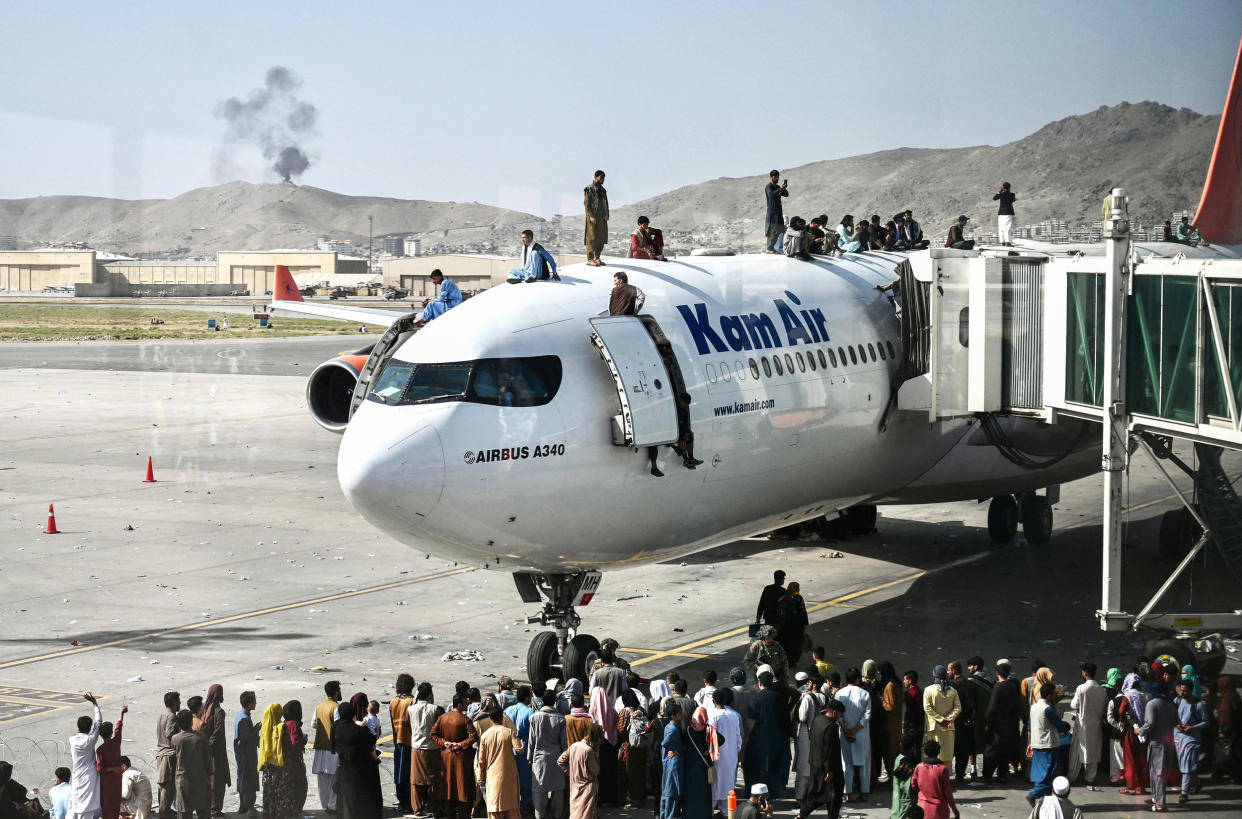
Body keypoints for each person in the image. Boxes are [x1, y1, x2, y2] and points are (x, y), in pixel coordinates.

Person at [334, 694, 383, 819]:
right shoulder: (358, 728)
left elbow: (333, 745)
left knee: (346, 795)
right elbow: (370, 740)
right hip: (359, 766)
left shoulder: (336, 726)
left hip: (344, 766)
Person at [432, 694, 479, 819]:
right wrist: (460, 744)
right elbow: (474, 737)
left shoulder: (442, 718)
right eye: (465, 702)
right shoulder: (465, 719)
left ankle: (450, 814)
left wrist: (444, 742)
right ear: (459, 704)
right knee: (463, 788)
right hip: (461, 758)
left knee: (448, 789)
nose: (467, 704)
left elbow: (433, 734)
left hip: (446, 756)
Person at [475, 705, 522, 819]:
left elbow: (481, 760)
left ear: (490, 718)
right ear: (502, 718)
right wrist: (521, 743)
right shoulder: (509, 732)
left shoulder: (485, 736)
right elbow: (519, 750)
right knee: (511, 807)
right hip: (509, 775)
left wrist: (481, 776)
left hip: (492, 776)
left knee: (495, 808)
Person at [1028, 683, 1070, 805]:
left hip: (1037, 743)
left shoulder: (1034, 707)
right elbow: (1059, 724)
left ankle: (1046, 799)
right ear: (1050, 696)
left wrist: (1029, 743)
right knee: (1050, 773)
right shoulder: (1048, 709)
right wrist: (1066, 726)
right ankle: (1033, 795)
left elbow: (1030, 726)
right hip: (1048, 745)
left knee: (1043, 773)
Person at [527, 690, 567, 819]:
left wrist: (529, 756)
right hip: (556, 757)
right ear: (554, 701)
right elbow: (564, 742)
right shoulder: (560, 718)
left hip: (539, 757)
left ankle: (539, 815)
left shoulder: (534, 717)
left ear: (542, 701)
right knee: (558, 788)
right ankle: (557, 815)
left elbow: (531, 739)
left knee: (539, 790)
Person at [1067, 662, 1107, 789]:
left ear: (1084, 673)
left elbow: (1073, 705)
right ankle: (1090, 777)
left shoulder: (1081, 688)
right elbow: (1105, 706)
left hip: (1082, 723)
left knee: (1077, 751)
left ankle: (1072, 776)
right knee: (1094, 750)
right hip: (1096, 724)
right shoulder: (1101, 689)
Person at [983, 661, 1022, 784]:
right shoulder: (1013, 685)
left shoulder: (998, 687)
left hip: (997, 725)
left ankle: (988, 774)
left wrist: (988, 722)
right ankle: (1002, 773)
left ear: (997, 673)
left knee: (992, 750)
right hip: (1010, 724)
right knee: (1005, 749)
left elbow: (992, 708)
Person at [409, 683, 445, 818]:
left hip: (416, 747)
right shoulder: (435, 709)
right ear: (430, 695)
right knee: (433, 780)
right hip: (432, 748)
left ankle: (417, 808)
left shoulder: (410, 709)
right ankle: (435, 808)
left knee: (416, 780)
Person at [838, 668, 872, 802]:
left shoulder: (839, 694)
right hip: (861, 733)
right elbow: (867, 716)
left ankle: (848, 793)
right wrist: (855, 730)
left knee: (847, 764)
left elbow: (838, 715)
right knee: (864, 763)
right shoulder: (865, 694)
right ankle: (864, 792)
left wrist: (847, 730)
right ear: (857, 679)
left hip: (845, 734)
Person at [706, 690, 743, 812]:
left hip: (717, 755)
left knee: (715, 783)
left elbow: (710, 737)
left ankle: (710, 808)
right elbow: (738, 738)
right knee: (728, 782)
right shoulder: (734, 716)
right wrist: (735, 752)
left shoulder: (713, 716)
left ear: (713, 701)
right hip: (731, 755)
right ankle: (726, 810)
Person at [196, 686, 229, 818]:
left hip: (207, 750)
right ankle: (215, 810)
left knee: (211, 781)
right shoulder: (218, 711)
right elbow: (218, 731)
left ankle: (211, 808)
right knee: (219, 781)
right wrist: (209, 746)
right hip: (216, 752)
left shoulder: (204, 710)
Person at [172, 709, 211, 819]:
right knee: (203, 813)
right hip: (200, 781)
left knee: (184, 813)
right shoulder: (201, 737)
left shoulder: (175, 739)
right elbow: (208, 760)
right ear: (191, 722)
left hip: (183, 782)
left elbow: (173, 762)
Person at [502, 686, 535, 813]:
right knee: (525, 779)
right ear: (527, 698)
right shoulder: (530, 712)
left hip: (509, 748)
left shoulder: (508, 710)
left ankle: (511, 804)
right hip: (524, 748)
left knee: (511, 778)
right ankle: (525, 806)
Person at [70, 693, 103, 819]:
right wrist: (95, 703)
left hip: (77, 776)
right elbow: (98, 722)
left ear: (78, 728)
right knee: (87, 808)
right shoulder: (90, 740)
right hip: (89, 776)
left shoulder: (72, 740)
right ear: (89, 728)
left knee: (75, 804)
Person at [1174, 679, 1207, 804]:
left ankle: (1184, 793)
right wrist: (1176, 725)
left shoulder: (1198, 705)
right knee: (1185, 764)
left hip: (1191, 740)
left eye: (1185, 691)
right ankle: (1196, 783)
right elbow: (1172, 716)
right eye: (1182, 690)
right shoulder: (1176, 701)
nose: (1183, 693)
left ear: (1191, 690)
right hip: (1178, 738)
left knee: (1186, 766)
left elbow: (1206, 722)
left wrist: (1192, 728)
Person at [311, 680, 342, 815]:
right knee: (334, 778)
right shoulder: (336, 707)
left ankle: (325, 804)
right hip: (332, 749)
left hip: (320, 748)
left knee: (323, 779)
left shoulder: (319, 706)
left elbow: (313, 724)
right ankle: (332, 805)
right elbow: (339, 726)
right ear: (336, 692)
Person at [923, 667, 961, 775]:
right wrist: (947, 719)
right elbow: (958, 708)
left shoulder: (928, 690)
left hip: (933, 727)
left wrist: (939, 719)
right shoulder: (953, 691)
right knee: (946, 754)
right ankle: (945, 779)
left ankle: (932, 777)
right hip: (948, 727)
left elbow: (927, 708)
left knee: (932, 753)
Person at [558, 724, 600, 819]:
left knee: (575, 812)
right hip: (587, 787)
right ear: (590, 737)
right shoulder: (589, 751)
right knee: (585, 814)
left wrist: (571, 773)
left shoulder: (574, 745)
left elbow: (560, 761)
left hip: (575, 785)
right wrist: (596, 755)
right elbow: (595, 771)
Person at [793, 676, 826, 797]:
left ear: (815, 685)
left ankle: (801, 796)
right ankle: (816, 793)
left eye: (810, 683)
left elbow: (802, 717)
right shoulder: (825, 698)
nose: (808, 684)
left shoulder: (807, 698)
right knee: (817, 765)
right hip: (820, 735)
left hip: (806, 734)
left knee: (804, 767)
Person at [389, 675, 416, 817]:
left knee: (399, 772)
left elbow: (393, 724)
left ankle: (402, 801)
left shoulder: (393, 702)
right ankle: (410, 802)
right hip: (409, 741)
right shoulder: (412, 701)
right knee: (409, 773)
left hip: (398, 740)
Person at [911, 740, 958, 819]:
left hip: (922, 808)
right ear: (938, 751)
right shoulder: (943, 769)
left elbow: (913, 785)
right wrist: (955, 810)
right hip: (939, 810)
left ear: (925, 752)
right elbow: (948, 793)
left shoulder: (919, 767)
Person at [963, 657, 993, 784]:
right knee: (987, 744)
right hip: (989, 717)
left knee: (972, 744)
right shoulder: (990, 680)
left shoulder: (970, 682)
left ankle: (974, 770)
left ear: (975, 667)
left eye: (970, 666)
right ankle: (987, 771)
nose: (969, 668)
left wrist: (968, 717)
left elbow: (970, 702)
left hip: (976, 718)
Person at [946, 662, 975, 784]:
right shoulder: (969, 683)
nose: (948, 673)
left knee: (951, 748)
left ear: (954, 670)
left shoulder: (953, 685)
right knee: (962, 751)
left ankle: (946, 774)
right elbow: (972, 703)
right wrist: (970, 718)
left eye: (949, 670)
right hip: (966, 722)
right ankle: (960, 774)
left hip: (956, 721)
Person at [97, 705, 128, 819]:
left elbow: (99, 768)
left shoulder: (100, 749)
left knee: (106, 806)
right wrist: (122, 713)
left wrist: (110, 769)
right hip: (116, 779)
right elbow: (119, 728)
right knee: (115, 804)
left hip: (106, 781)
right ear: (110, 733)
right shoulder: (116, 742)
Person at [682, 707, 713, 819]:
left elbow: (683, 744)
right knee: (703, 793)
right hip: (703, 767)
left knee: (691, 792)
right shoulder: (708, 729)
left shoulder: (689, 730)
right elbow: (721, 739)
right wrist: (708, 751)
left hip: (690, 766)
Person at [233, 692, 260, 818]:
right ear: (249, 704)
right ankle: (248, 807)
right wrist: (256, 730)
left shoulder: (242, 715)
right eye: (254, 701)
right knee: (248, 780)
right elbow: (246, 739)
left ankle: (244, 806)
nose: (256, 703)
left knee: (244, 778)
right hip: (246, 756)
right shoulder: (244, 719)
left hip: (244, 755)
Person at [157, 692, 181, 819]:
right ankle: (164, 811)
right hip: (169, 754)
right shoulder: (172, 716)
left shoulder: (162, 714)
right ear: (173, 703)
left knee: (163, 783)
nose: (180, 703)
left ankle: (165, 809)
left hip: (161, 753)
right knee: (167, 784)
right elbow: (169, 734)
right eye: (178, 701)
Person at [777, 582, 809, 666]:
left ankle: (785, 660)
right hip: (797, 626)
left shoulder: (783, 597)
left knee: (786, 643)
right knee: (796, 644)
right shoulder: (798, 597)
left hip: (785, 626)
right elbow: (803, 611)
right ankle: (793, 661)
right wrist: (805, 623)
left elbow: (779, 611)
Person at [584, 170, 610, 266]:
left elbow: (606, 203)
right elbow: (587, 204)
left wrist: (607, 214)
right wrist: (591, 216)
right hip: (592, 217)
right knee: (592, 238)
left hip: (602, 217)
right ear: (596, 177)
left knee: (601, 237)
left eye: (604, 177)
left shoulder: (603, 190)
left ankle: (597, 257)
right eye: (601, 177)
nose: (603, 179)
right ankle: (590, 259)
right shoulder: (589, 189)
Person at [889, 739, 917, 819]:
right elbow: (907, 786)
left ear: (901, 745)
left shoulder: (899, 759)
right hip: (906, 801)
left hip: (899, 800)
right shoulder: (910, 761)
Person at [764, 171, 789, 253]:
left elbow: (786, 194)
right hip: (772, 212)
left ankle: (771, 247)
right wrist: (780, 189)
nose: (777, 178)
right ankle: (769, 247)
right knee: (772, 230)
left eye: (778, 177)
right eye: (775, 177)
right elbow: (771, 195)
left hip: (778, 212)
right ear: (771, 177)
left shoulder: (777, 186)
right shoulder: (769, 186)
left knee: (779, 229)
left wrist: (784, 189)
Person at [902, 671, 925, 752]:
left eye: (905, 679)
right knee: (918, 749)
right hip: (920, 725)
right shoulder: (921, 692)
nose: (904, 681)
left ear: (910, 681)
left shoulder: (907, 694)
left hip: (911, 726)